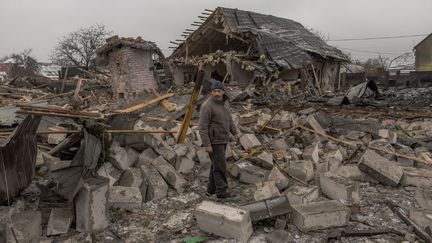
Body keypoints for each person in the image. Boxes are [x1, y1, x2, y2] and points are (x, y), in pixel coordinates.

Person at [199, 80, 239, 199]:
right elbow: (202, 127)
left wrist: (235, 132)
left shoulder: (225, 103)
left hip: (223, 139)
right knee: (220, 166)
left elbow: (229, 120)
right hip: (214, 141)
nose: (216, 93)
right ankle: (222, 192)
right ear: (212, 92)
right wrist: (207, 144)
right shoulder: (207, 106)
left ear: (223, 91)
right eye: (214, 91)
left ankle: (211, 190)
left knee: (216, 164)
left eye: (219, 91)